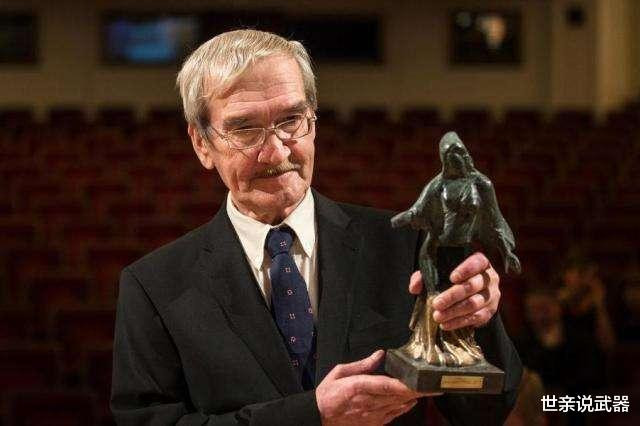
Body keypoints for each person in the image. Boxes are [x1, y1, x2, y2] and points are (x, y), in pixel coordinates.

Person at [111, 29, 522, 425]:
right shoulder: (153, 287)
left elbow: (484, 413)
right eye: (245, 129)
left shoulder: (405, 246)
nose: (276, 151)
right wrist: (313, 415)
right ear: (202, 143)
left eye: (291, 119)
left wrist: (477, 320)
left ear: (313, 121)